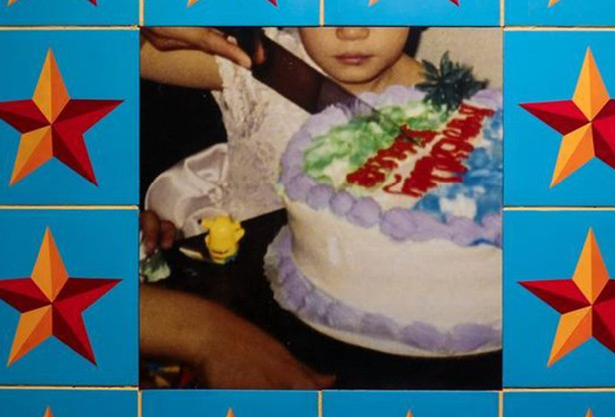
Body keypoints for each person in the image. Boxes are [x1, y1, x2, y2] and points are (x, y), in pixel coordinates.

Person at [137, 27, 425, 389]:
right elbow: (97, 51)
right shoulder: (260, 61)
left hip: (360, 336)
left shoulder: (453, 106)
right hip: (240, 304)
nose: (351, 30)